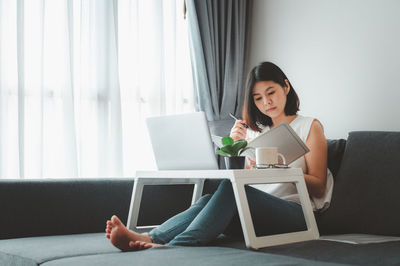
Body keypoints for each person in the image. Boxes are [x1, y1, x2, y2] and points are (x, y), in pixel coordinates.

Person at [105, 61, 334, 251]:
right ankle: (151, 238)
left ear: (286, 87)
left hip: (296, 214)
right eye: (258, 98)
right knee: (209, 198)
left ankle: (176, 249)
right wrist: (236, 147)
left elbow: (319, 187)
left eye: (271, 93)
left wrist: (279, 169)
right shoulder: (256, 134)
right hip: (255, 212)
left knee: (229, 190)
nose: (266, 103)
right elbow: (246, 182)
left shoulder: (309, 126)